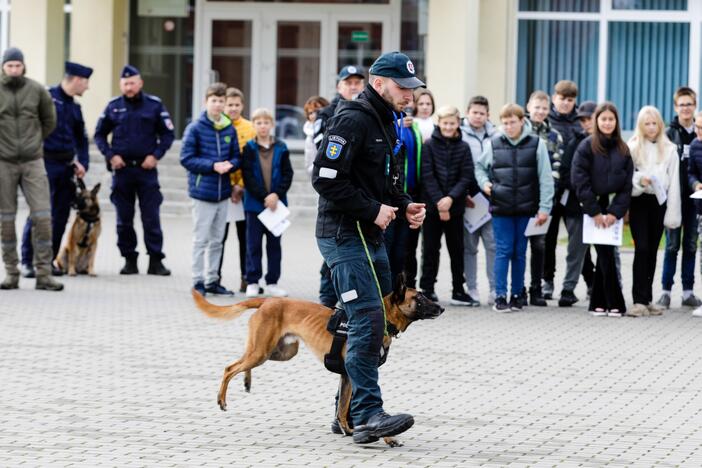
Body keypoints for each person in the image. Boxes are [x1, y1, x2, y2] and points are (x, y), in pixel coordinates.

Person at [312, 51, 426, 444]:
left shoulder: (387, 121)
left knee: (366, 321)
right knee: (367, 320)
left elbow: (383, 182)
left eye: (413, 88)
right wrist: (372, 209)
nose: (410, 95)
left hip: (369, 234)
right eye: (403, 87)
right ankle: (368, 416)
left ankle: (345, 412)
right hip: (343, 234)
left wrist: (403, 203)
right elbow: (326, 179)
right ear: (379, 83)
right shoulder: (352, 118)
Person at [94, 65, 175, 276]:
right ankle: (129, 259)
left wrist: (155, 155)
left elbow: (167, 135)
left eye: (132, 83)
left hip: (146, 170)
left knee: (151, 217)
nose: (129, 87)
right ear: (121, 85)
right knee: (124, 218)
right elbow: (99, 135)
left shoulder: (154, 105)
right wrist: (111, 156)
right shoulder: (113, 106)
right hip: (122, 172)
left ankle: (155, 260)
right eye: (125, 84)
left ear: (140, 83)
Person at [474, 103, 554, 312]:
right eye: (505, 123)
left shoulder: (537, 144)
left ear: (522, 121)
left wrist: (545, 207)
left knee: (520, 252)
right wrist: (484, 183)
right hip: (501, 207)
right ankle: (500, 295)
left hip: (527, 208)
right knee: (503, 250)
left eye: (513, 122)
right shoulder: (494, 143)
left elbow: (545, 178)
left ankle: (517, 294)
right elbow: (479, 167)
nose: (509, 126)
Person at [20, 61, 92, 279]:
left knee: (60, 215)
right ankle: (27, 261)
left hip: (66, 167)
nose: (87, 88)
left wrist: (83, 163)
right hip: (43, 163)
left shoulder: (75, 107)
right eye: (86, 83)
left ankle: (48, 261)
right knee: (39, 212)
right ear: (77, 80)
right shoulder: (45, 97)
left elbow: (82, 139)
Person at [0, 47, 61, 291]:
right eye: (9, 65)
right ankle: (11, 273)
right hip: (3, 162)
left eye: (18, 65)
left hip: (33, 161)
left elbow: (49, 121)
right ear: (3, 67)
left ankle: (44, 274)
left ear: (24, 66)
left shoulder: (36, 90)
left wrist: (34, 142)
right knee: (5, 219)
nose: (14, 69)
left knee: (43, 217)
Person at [572, 102, 633, 317]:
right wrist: (595, 212)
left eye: (611, 119)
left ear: (616, 122)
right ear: (597, 121)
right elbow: (579, 180)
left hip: (613, 211)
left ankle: (598, 302)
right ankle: (615, 302)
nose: (607, 123)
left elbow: (627, 185)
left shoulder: (624, 149)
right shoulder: (586, 146)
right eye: (603, 119)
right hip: (594, 210)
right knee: (605, 254)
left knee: (606, 255)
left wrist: (615, 213)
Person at [180, 82, 240, 296]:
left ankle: (212, 280)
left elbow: (236, 156)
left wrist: (230, 165)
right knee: (201, 239)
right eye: (213, 100)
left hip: (222, 193)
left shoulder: (228, 128)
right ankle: (198, 281)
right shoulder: (195, 128)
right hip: (202, 193)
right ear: (206, 102)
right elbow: (186, 159)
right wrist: (212, 166)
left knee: (217, 240)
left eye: (220, 101)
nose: (217, 104)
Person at [314, 65, 365, 308]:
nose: (353, 86)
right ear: (339, 86)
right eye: (349, 82)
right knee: (333, 253)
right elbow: (323, 149)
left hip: (360, 193)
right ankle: (326, 302)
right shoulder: (326, 113)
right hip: (335, 191)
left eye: (357, 82)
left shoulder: (368, 113)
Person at [419, 105, 478, 306]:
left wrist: (451, 199)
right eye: (445, 123)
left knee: (457, 250)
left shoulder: (464, 147)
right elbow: (427, 175)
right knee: (430, 250)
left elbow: (466, 176)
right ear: (439, 123)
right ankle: (427, 289)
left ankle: (458, 290)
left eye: (452, 123)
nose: (448, 126)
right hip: (433, 207)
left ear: (457, 124)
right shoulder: (428, 146)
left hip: (456, 207)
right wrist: (440, 203)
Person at [627, 106, 681, 317]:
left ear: (660, 124)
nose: (651, 127)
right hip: (639, 200)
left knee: (651, 251)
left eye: (654, 123)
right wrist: (640, 180)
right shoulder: (632, 147)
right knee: (641, 248)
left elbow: (674, 182)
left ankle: (647, 298)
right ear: (641, 125)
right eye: (646, 123)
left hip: (660, 203)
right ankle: (638, 300)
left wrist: (673, 214)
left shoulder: (669, 149)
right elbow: (627, 177)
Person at [656, 87, 702, 309]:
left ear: (695, 106)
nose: (685, 108)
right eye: (681, 104)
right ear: (676, 107)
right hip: (674, 198)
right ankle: (665, 291)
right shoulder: (669, 133)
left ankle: (688, 292)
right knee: (672, 245)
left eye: (689, 104)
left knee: (691, 245)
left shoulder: (699, 132)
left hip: (695, 200)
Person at [242, 108, 293, 298]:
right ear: (253, 125)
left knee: (274, 245)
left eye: (266, 122)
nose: (262, 126)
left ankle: (272, 282)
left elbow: (288, 175)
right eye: (258, 123)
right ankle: (253, 281)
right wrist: (264, 196)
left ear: (271, 125)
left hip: (276, 206)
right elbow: (248, 176)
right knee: (253, 245)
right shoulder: (248, 148)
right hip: (255, 205)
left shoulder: (282, 147)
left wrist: (275, 195)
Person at [215, 86, 257, 294]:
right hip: (222, 188)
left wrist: (240, 184)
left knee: (245, 238)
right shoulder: (218, 126)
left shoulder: (250, 128)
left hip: (244, 190)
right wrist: (230, 185)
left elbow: (250, 160)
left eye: (236, 105)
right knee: (218, 237)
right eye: (229, 105)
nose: (232, 108)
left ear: (242, 106)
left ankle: (246, 278)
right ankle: (215, 276)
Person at [524, 90, 564, 306]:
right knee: (518, 247)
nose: (540, 111)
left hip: (542, 200)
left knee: (540, 245)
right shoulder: (519, 130)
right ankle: (518, 289)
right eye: (536, 107)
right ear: (529, 107)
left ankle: (536, 289)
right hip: (520, 198)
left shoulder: (554, 136)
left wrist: (548, 194)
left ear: (549, 110)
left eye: (544, 108)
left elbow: (557, 167)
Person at [543, 80, 581, 299]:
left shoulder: (579, 122)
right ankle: (547, 281)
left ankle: (578, 282)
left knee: (578, 240)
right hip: (551, 189)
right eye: (561, 98)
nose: (565, 103)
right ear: (553, 98)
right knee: (548, 239)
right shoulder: (547, 120)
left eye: (570, 99)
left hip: (574, 190)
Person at [556, 100, 597, 307]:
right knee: (576, 250)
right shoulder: (575, 142)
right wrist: (583, 188)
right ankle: (568, 289)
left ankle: (607, 288)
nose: (586, 123)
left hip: (602, 206)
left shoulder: (610, 143)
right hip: (576, 205)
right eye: (582, 119)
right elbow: (565, 173)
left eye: (589, 118)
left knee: (609, 252)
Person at [461, 95, 497, 306]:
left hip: (490, 198)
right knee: (470, 247)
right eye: (474, 112)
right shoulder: (460, 134)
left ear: (488, 115)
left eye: (482, 113)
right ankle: (472, 287)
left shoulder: (496, 135)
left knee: (492, 245)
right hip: (468, 199)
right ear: (468, 113)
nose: (478, 116)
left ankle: (494, 288)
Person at [384, 93, 423, 286]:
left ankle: (403, 288)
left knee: (404, 250)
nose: (407, 102)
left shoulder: (415, 128)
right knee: (388, 249)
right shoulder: (388, 125)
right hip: (389, 200)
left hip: (407, 197)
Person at [686, 110, 702, 317]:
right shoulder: (695, 145)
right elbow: (690, 172)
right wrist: (695, 183)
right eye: (697, 127)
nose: (698, 131)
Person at [304, 96, 330, 177]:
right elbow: (309, 164)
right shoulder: (310, 137)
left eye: (318, 111)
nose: (314, 115)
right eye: (310, 113)